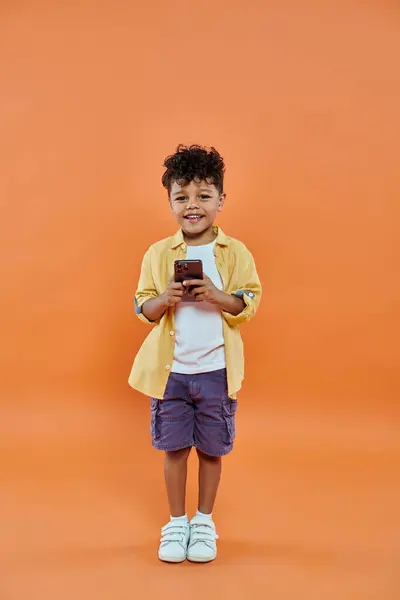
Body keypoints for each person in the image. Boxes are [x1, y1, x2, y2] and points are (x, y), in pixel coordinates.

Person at [128, 144, 262, 563]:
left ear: (221, 200)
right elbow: (142, 307)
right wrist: (164, 298)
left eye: (204, 196)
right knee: (173, 448)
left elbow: (249, 302)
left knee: (211, 449)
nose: (192, 205)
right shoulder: (158, 254)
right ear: (169, 201)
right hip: (172, 373)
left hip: (215, 372)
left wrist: (218, 296)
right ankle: (176, 522)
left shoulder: (235, 253)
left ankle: (204, 521)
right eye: (181, 196)